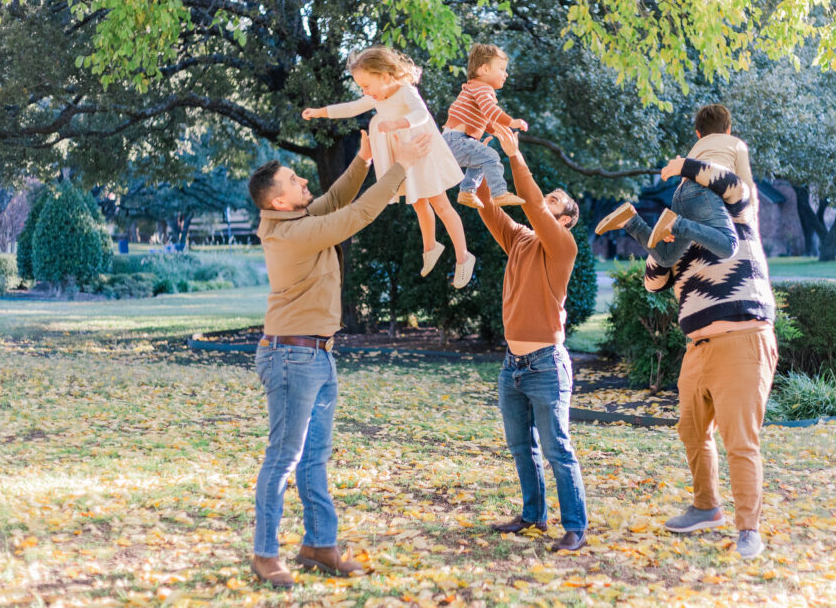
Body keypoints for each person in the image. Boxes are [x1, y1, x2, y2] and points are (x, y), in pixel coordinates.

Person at [246, 129, 430, 589]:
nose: (303, 180)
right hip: (291, 357)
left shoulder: (299, 219)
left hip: (318, 355)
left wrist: (365, 159)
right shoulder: (293, 234)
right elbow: (357, 214)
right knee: (284, 459)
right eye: (293, 180)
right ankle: (265, 554)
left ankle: (318, 547)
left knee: (315, 458)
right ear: (278, 202)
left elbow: (336, 196)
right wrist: (400, 165)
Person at [606, 151, 777, 560]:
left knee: (740, 440)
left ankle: (749, 528)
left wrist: (681, 165)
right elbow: (652, 281)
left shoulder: (739, 216)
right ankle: (706, 506)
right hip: (696, 348)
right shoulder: (678, 239)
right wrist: (662, 242)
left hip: (742, 337)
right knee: (691, 430)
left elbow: (728, 182)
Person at [475, 127, 589, 553]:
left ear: (564, 220)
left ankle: (575, 526)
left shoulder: (562, 246)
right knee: (522, 447)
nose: (545, 203)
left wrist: (515, 155)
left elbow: (534, 206)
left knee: (557, 449)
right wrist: (481, 158)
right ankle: (533, 515)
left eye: (554, 201)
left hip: (545, 365)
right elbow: (487, 206)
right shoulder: (519, 239)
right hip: (512, 367)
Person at [302, 46, 476, 288]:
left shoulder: (406, 91)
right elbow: (351, 108)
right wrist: (320, 112)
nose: (364, 92)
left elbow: (421, 114)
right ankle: (431, 247)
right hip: (404, 156)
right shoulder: (376, 96)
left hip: (421, 151)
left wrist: (398, 123)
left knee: (440, 204)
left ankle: (463, 257)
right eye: (361, 88)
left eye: (366, 85)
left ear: (385, 77)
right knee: (419, 203)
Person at [594, 104, 755, 267]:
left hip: (682, 194)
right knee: (729, 246)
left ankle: (631, 221)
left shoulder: (696, 148)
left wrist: (669, 225)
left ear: (698, 134)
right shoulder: (736, 144)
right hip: (705, 192)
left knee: (666, 257)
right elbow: (746, 184)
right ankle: (675, 224)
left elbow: (690, 190)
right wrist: (750, 215)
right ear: (728, 129)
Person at [443, 43, 528, 210]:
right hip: (457, 140)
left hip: (453, 140)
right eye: (502, 68)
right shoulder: (483, 88)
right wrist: (511, 122)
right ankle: (499, 193)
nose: (506, 74)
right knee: (491, 156)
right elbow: (490, 109)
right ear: (484, 70)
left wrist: (495, 130)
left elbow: (484, 117)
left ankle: (467, 192)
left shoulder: (475, 88)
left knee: (481, 158)